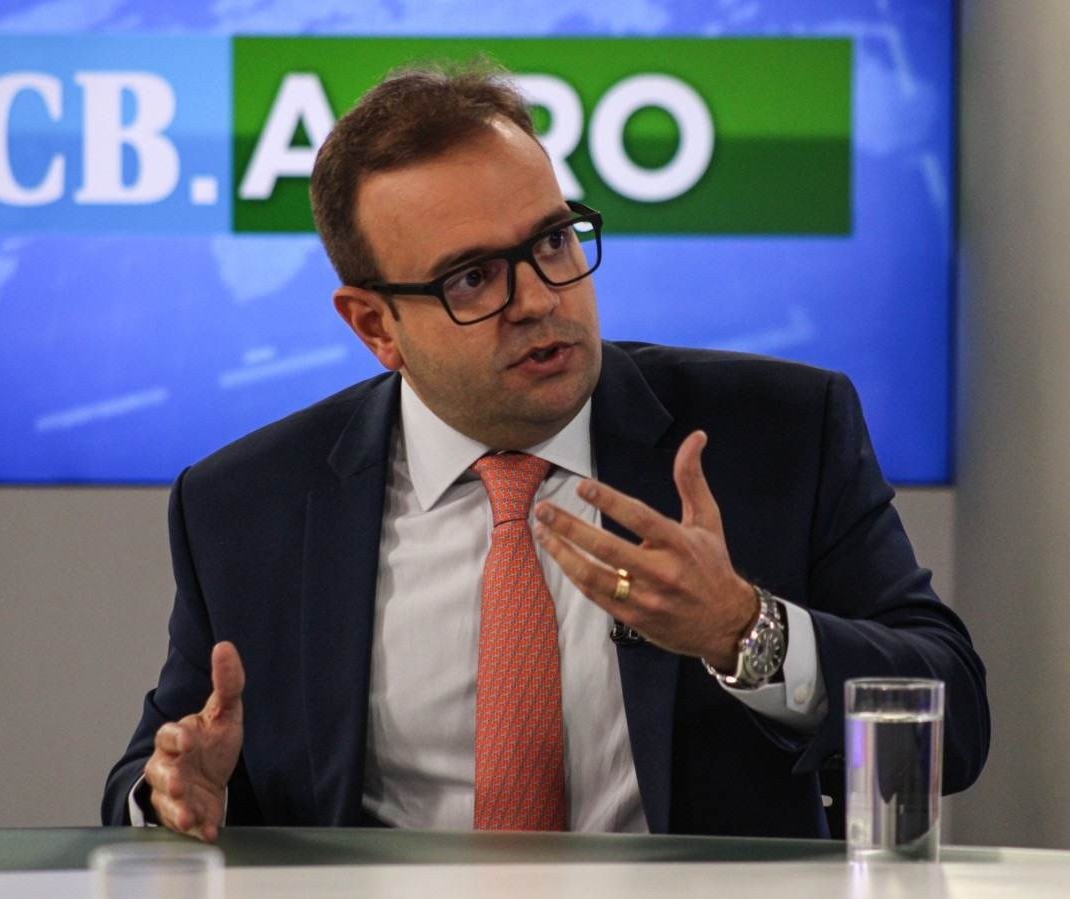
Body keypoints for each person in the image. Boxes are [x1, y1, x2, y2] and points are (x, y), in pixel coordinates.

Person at [102, 62, 989, 842]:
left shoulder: (777, 433)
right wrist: (176, 794)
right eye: (473, 278)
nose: (539, 299)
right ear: (375, 325)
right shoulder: (249, 504)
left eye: (553, 241)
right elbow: (159, 769)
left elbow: (954, 720)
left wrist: (742, 629)